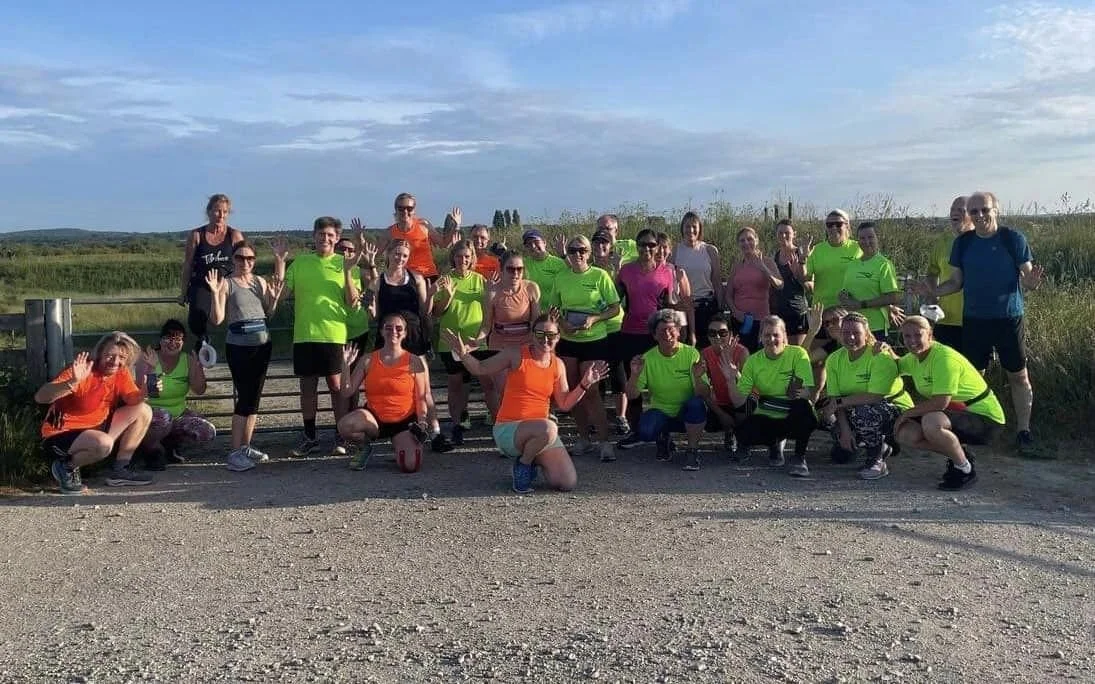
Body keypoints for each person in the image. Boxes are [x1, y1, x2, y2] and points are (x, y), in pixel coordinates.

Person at [919, 190, 1043, 453]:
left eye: (985, 210)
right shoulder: (963, 243)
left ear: (996, 210)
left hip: (1009, 319)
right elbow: (955, 282)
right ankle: (977, 429)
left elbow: (1028, 278)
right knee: (973, 378)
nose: (980, 215)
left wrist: (1030, 285)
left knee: (1018, 376)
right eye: (974, 211)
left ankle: (1024, 431)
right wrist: (932, 292)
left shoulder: (1013, 239)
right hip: (974, 320)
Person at [443, 316, 610, 493]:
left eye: (550, 335)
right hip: (509, 429)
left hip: (539, 431)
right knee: (549, 428)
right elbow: (480, 368)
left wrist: (585, 383)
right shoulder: (515, 354)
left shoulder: (558, 365)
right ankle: (523, 465)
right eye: (539, 334)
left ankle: (533, 457)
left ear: (558, 337)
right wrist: (463, 354)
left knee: (566, 482)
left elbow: (565, 404)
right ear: (532, 335)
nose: (545, 340)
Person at [894, 316, 1006, 490]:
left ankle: (964, 470)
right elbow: (895, 365)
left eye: (918, 335)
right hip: (958, 414)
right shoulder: (913, 357)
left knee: (931, 422)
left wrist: (907, 413)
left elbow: (940, 402)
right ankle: (961, 455)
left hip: (986, 419)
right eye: (907, 336)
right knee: (906, 434)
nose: (912, 341)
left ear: (930, 335)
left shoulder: (943, 358)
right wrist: (880, 350)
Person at [275, 216, 354, 457]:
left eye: (330, 235)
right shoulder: (300, 262)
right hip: (305, 333)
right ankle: (310, 436)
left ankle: (341, 435)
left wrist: (350, 272)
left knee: (336, 386)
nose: (325, 238)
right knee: (307, 387)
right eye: (321, 234)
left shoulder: (347, 263)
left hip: (333, 334)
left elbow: (352, 302)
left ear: (337, 238)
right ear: (314, 236)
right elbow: (281, 292)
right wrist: (280, 261)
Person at [36, 332, 154, 493]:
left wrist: (143, 394)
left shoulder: (121, 372)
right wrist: (72, 382)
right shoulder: (82, 370)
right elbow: (41, 397)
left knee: (143, 409)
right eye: (109, 356)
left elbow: (131, 399)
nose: (115, 361)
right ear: (99, 354)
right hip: (61, 434)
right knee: (104, 443)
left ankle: (120, 470)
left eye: (121, 357)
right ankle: (66, 467)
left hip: (96, 429)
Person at [208, 240, 286, 471]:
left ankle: (245, 446)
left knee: (254, 398)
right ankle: (233, 452)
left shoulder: (259, 282)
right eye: (240, 258)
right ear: (233, 259)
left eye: (250, 258)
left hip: (262, 344)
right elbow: (218, 319)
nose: (245, 262)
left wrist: (273, 297)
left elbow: (269, 312)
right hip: (239, 346)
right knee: (245, 397)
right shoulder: (226, 284)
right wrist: (214, 293)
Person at [551, 235, 621, 462]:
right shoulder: (561, 277)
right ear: (568, 254)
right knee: (573, 391)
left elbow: (614, 308)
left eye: (582, 250)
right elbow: (553, 308)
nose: (577, 254)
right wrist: (563, 324)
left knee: (590, 391)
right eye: (572, 250)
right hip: (569, 340)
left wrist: (595, 319)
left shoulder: (600, 276)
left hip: (595, 340)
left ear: (589, 252)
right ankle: (583, 438)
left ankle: (604, 441)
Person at [718, 316, 818, 477]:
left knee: (803, 407)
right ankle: (774, 444)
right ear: (760, 338)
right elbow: (739, 402)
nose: (771, 339)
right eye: (767, 335)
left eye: (776, 335)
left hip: (791, 413)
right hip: (767, 415)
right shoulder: (753, 362)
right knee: (744, 432)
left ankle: (799, 457)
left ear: (784, 336)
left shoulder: (798, 354)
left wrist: (766, 399)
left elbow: (804, 392)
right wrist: (730, 380)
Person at [817, 312, 912, 479]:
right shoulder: (834, 359)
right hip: (852, 407)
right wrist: (845, 432)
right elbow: (834, 399)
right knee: (839, 453)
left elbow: (874, 397)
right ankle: (869, 443)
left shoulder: (879, 356)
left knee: (864, 412)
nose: (851, 337)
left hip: (892, 407)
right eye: (846, 333)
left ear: (867, 334)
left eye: (856, 333)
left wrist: (839, 402)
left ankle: (876, 459)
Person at [337, 313, 430, 473]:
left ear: (405, 333)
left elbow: (421, 397)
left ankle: (399, 444)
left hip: (404, 421)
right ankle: (364, 447)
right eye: (388, 328)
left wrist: (421, 422)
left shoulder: (414, 361)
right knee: (345, 426)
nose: (393, 331)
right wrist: (345, 366)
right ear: (381, 331)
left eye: (399, 328)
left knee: (410, 466)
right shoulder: (367, 359)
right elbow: (347, 391)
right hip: (375, 419)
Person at [626, 309, 708, 471]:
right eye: (661, 330)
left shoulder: (691, 354)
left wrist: (698, 378)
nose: (667, 334)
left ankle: (692, 451)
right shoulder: (647, 358)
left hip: (687, 411)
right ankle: (663, 438)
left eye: (671, 329)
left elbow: (705, 394)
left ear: (678, 331)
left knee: (697, 404)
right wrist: (634, 375)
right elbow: (631, 395)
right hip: (661, 411)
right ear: (654, 335)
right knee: (645, 431)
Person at [615, 229, 675, 448]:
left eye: (651, 245)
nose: (646, 249)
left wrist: (681, 332)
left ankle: (663, 430)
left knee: (661, 383)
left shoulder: (667, 272)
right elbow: (614, 300)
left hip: (657, 336)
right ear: (636, 246)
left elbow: (670, 306)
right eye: (642, 244)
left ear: (658, 247)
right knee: (634, 383)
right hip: (630, 333)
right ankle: (637, 430)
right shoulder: (626, 271)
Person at [133, 319, 216, 470]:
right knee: (164, 417)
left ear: (183, 342)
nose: (172, 343)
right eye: (168, 338)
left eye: (178, 339)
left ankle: (170, 446)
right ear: (161, 339)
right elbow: (148, 392)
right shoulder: (147, 358)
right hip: (151, 415)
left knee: (206, 431)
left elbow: (199, 390)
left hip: (177, 414)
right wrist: (151, 369)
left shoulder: (188, 360)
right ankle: (151, 450)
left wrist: (199, 368)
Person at [433, 241, 490, 446]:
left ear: (472, 258)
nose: (463, 260)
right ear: (453, 258)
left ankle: (498, 425)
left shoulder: (481, 280)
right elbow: (436, 313)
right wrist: (447, 295)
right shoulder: (445, 280)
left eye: (467, 256)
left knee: (486, 383)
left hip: (475, 342)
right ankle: (457, 426)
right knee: (455, 384)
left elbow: (489, 311)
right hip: (450, 341)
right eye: (459, 256)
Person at [177, 194, 244, 348]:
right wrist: (183, 292)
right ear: (208, 212)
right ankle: (203, 347)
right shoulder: (196, 235)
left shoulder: (234, 235)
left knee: (237, 314)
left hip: (226, 284)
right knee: (196, 320)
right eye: (217, 211)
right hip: (202, 283)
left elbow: (244, 261)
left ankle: (238, 345)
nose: (221, 215)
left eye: (225, 212)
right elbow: (188, 265)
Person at [481, 250, 540, 420]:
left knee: (526, 388)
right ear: (502, 269)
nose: (515, 273)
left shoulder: (531, 288)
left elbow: (536, 324)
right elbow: (486, 325)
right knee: (505, 390)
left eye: (519, 269)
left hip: (525, 345)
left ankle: (527, 423)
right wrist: (474, 341)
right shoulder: (493, 291)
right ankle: (507, 426)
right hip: (500, 345)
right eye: (510, 269)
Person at [590, 229, 628, 434]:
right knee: (598, 375)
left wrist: (618, 268)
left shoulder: (619, 269)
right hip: (596, 329)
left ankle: (621, 417)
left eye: (604, 243)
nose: (600, 247)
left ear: (610, 246)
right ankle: (599, 416)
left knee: (618, 374)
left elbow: (617, 298)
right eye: (596, 244)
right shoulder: (587, 268)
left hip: (615, 327)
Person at [374, 194, 462, 281]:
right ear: (396, 210)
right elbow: (373, 254)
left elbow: (444, 244)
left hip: (427, 275)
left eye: (409, 208)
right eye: (401, 208)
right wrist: (360, 240)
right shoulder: (390, 233)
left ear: (414, 210)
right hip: (403, 279)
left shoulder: (423, 225)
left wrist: (455, 226)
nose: (405, 211)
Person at [923, 196, 973, 351]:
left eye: (960, 210)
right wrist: (932, 299)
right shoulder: (942, 241)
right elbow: (932, 272)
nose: (954, 213)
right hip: (945, 317)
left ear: (972, 215)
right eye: (952, 209)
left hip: (974, 317)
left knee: (974, 367)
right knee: (945, 364)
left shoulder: (980, 240)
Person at [722, 226, 782, 352]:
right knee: (741, 355)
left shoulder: (767, 261)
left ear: (757, 240)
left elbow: (779, 284)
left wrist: (763, 268)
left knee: (759, 354)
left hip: (761, 320)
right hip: (739, 320)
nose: (746, 243)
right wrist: (735, 312)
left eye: (749, 239)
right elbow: (728, 294)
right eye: (742, 240)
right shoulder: (737, 266)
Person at [695, 314, 750, 452]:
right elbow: (704, 391)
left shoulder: (742, 352)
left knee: (745, 409)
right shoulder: (704, 354)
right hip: (720, 403)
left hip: (741, 401)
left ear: (731, 334)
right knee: (707, 417)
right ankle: (729, 433)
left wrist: (733, 369)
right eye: (712, 333)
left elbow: (749, 388)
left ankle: (743, 439)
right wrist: (721, 414)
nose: (717, 337)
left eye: (722, 333)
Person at [837, 222, 901, 339]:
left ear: (878, 238)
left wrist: (861, 305)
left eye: (870, 237)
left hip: (876, 328)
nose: (866, 242)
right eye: (862, 238)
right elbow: (845, 291)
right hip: (853, 327)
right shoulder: (852, 264)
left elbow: (893, 297)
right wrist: (843, 297)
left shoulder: (884, 264)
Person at [670, 211, 721, 348]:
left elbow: (716, 280)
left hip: (707, 306)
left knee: (708, 348)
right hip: (684, 309)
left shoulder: (710, 250)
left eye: (694, 226)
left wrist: (721, 307)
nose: (691, 230)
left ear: (699, 228)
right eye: (687, 226)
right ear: (682, 228)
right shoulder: (674, 251)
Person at [805, 209, 862, 308]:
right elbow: (806, 278)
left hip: (851, 310)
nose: (834, 228)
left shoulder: (859, 248)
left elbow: (874, 275)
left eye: (838, 224)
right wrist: (801, 260)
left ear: (847, 226)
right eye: (830, 225)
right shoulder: (816, 250)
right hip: (823, 311)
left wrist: (887, 306)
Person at [772, 219, 812, 345]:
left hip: (798, 313)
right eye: (780, 233)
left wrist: (798, 273)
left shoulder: (803, 255)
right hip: (779, 314)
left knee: (799, 354)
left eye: (787, 232)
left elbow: (811, 287)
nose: (783, 236)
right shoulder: (774, 256)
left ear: (794, 233)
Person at [521, 229, 567, 312]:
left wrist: (564, 254)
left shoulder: (559, 264)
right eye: (529, 244)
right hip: (531, 316)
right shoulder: (522, 265)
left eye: (536, 242)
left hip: (556, 315)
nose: (533, 246)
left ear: (544, 242)